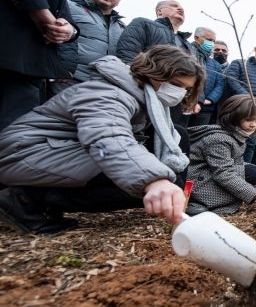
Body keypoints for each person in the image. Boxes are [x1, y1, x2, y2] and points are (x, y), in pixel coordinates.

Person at [0, 45, 206, 233]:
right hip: (25, 153)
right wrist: (156, 181)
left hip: (56, 152)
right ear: (155, 71)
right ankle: (26, 198)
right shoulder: (110, 93)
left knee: (177, 141)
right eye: (175, 84)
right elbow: (108, 137)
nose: (179, 93)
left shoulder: (142, 99)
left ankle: (42, 198)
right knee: (139, 179)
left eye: (186, 89)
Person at [0, 0, 79, 131]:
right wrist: (40, 11)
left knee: (15, 133)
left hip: (33, 65)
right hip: (8, 46)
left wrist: (69, 31)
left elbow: (61, 7)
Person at [186, 94, 256, 216]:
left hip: (211, 170)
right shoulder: (219, 139)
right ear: (233, 117)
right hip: (198, 181)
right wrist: (255, 194)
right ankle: (197, 202)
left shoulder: (235, 135)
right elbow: (223, 173)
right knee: (253, 174)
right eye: (249, 119)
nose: (253, 125)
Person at [116, 0, 198, 126]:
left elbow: (194, 77)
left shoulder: (189, 46)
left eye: (182, 7)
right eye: (174, 6)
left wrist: (192, 99)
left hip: (175, 102)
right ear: (159, 11)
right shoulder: (143, 24)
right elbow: (127, 54)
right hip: (143, 94)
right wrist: (141, 85)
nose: (180, 9)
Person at [52, 0, 125, 97]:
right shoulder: (68, 7)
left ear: (119, 0)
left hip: (106, 89)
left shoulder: (122, 27)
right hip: (67, 81)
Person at [187, 27, 224, 127]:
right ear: (196, 38)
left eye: (213, 41)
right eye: (209, 40)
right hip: (186, 103)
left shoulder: (215, 65)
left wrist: (210, 99)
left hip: (206, 107)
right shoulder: (186, 54)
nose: (211, 43)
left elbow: (220, 85)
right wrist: (196, 100)